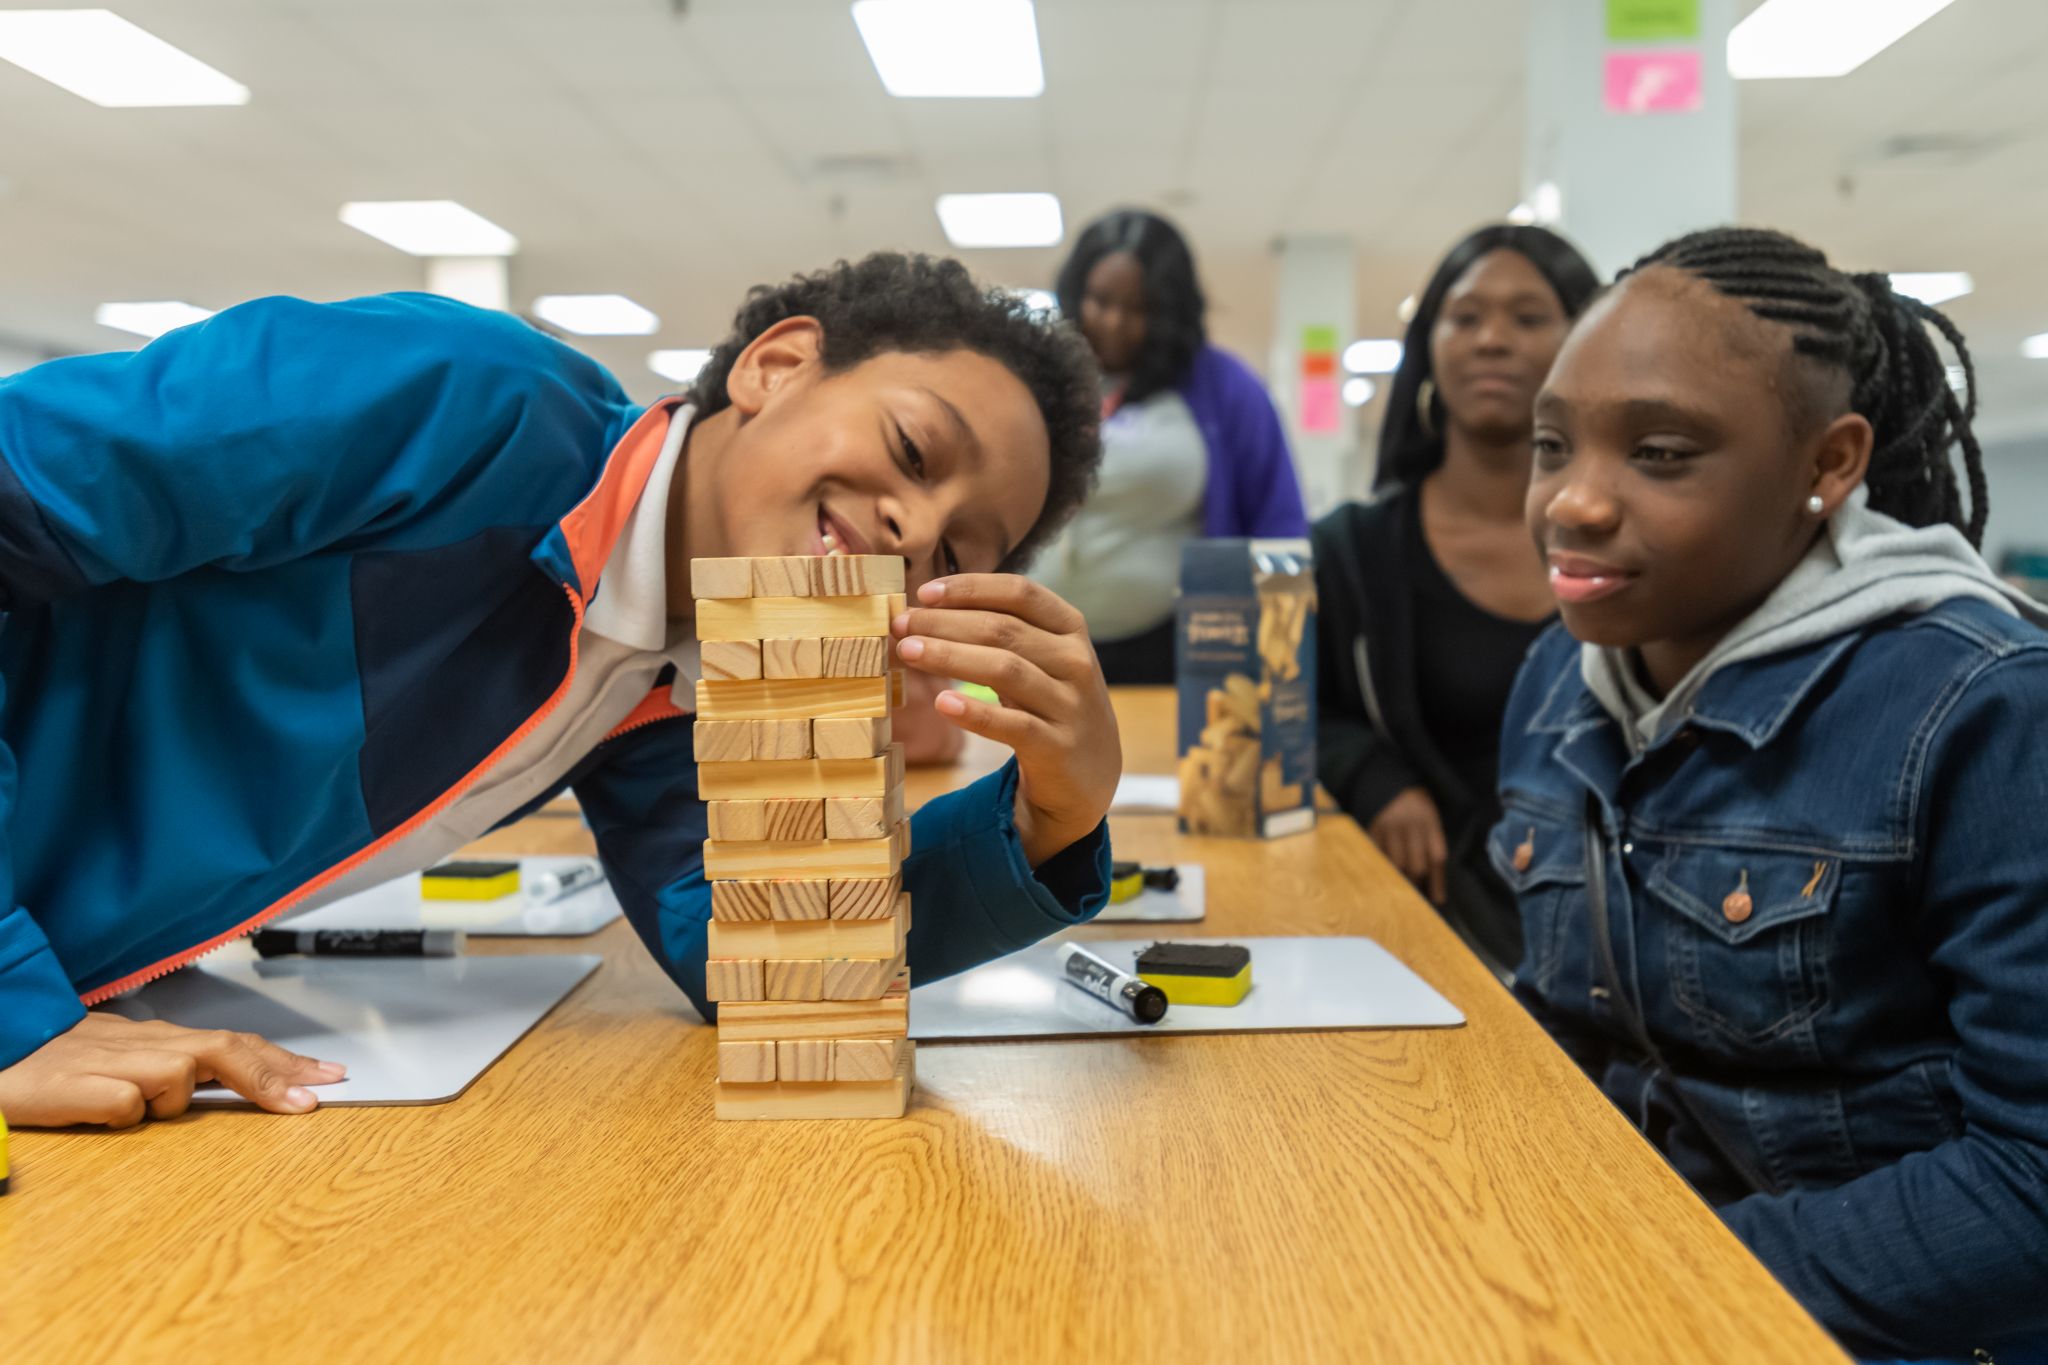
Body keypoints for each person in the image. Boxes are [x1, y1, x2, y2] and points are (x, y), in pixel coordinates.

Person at [0, 253, 1122, 1128]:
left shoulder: (689, 672)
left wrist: (1049, 819)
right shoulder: (454, 400)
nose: (913, 532)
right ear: (775, 367)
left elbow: (753, 960)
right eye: (915, 451)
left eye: (955, 554)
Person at [1499, 226, 2048, 1358]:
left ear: (1826, 464)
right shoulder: (1565, 671)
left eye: (1658, 453)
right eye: (1551, 446)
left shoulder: (1979, 707)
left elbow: (2030, 1182)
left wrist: (1655, 1280)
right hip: (1607, 1283)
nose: (1571, 504)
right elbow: (1569, 1031)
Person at [1314, 225, 1599, 972]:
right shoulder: (1354, 551)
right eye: (1465, 316)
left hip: (1618, 938)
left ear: (1586, 339)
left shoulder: (1632, 541)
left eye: (1528, 317)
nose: (1492, 340)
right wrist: (1373, 775)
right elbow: (1291, 708)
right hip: (1427, 929)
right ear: (1431, 344)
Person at [1033, 209, 1307, 684]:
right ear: (1077, 290)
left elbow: (1278, 522)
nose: (1114, 322)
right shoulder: (1037, 375)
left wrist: (1282, 660)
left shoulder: (1225, 387)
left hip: (1173, 651)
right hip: (1035, 642)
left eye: (1139, 308)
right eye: (1100, 300)